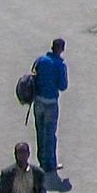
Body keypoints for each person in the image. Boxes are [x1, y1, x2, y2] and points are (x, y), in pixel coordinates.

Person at [30, 38, 68, 176]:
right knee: (50, 133)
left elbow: (32, 75)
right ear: (61, 49)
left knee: (40, 131)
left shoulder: (40, 60)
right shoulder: (60, 65)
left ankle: (41, 161)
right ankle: (50, 164)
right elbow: (63, 86)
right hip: (51, 103)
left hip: (38, 101)